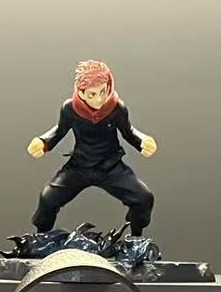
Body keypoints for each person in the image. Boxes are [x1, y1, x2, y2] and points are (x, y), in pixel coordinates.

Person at [28, 61, 158, 235]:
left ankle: (135, 239)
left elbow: (129, 132)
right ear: (81, 92)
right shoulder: (70, 109)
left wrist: (143, 141)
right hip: (79, 167)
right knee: (47, 199)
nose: (99, 99)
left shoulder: (116, 108)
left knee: (143, 198)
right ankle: (40, 238)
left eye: (103, 92)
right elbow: (59, 131)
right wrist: (43, 142)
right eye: (92, 94)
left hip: (111, 167)